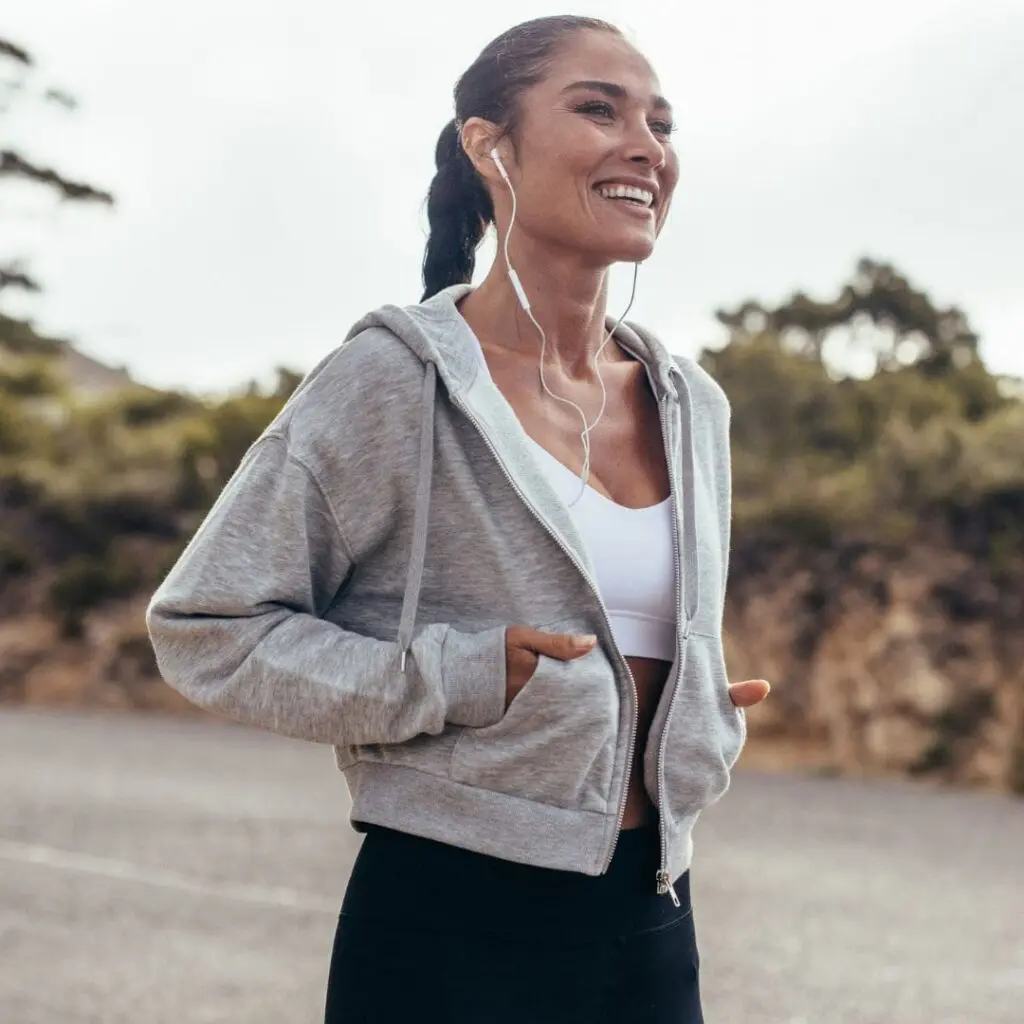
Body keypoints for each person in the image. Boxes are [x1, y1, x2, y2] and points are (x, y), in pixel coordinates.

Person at [147, 14, 770, 1024]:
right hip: (449, 921)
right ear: (489, 144)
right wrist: (457, 676)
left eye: (660, 122)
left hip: (653, 910)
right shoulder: (393, 381)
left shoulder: (691, 403)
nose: (645, 145)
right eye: (597, 109)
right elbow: (207, 626)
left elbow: (640, 637)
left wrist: (694, 706)